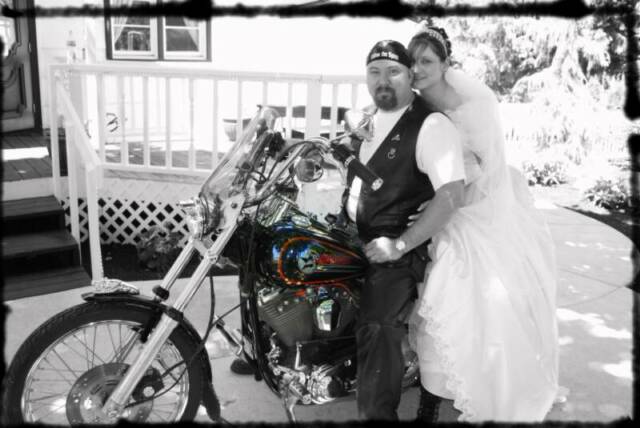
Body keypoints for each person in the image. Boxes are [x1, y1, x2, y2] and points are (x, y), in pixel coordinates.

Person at [406, 24, 560, 422]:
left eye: (427, 61)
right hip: (432, 198)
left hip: (472, 207)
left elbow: (482, 170)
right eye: (413, 61)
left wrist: (436, 204)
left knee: (450, 285)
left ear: (445, 65)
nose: (417, 69)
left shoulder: (472, 106)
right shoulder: (415, 103)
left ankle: (439, 392)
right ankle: (424, 381)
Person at [345, 39, 467, 421]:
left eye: (393, 71)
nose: (383, 80)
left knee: (378, 325)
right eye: (375, 71)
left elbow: (451, 195)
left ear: (410, 75)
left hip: (400, 250)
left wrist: (400, 244)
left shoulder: (431, 125)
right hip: (355, 236)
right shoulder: (369, 117)